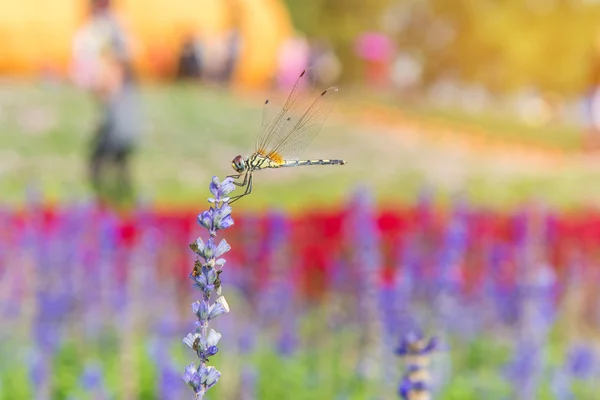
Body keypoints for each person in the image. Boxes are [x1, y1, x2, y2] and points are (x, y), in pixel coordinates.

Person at [88, 41, 142, 206]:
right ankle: (122, 198)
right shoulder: (126, 76)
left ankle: (108, 197)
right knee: (120, 166)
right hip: (122, 130)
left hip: (116, 130)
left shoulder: (117, 72)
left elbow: (107, 93)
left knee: (101, 163)